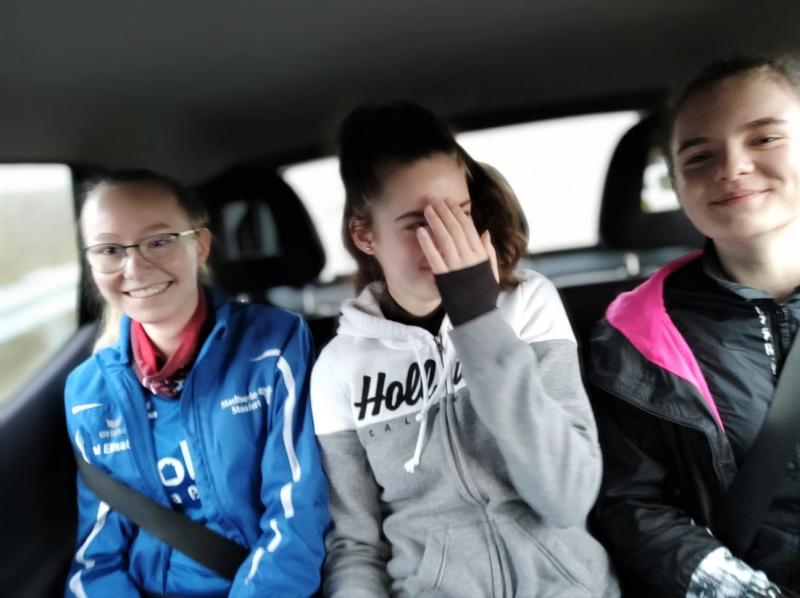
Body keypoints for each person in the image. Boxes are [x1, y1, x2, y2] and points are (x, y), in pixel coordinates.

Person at [310, 102, 618, 597]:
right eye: (417, 223)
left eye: (460, 214)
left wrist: (479, 320)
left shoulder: (526, 304)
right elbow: (356, 545)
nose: (446, 239)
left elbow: (567, 498)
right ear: (365, 236)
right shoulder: (338, 368)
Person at [590, 55, 800, 597]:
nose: (732, 167)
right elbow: (633, 502)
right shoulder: (637, 335)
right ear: (679, 186)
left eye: (765, 138)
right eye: (700, 156)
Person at [64, 170, 329, 597]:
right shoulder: (88, 393)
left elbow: (298, 514)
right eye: (110, 250)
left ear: (200, 245)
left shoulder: (273, 345)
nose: (135, 267)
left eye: (159, 241)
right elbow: (97, 558)